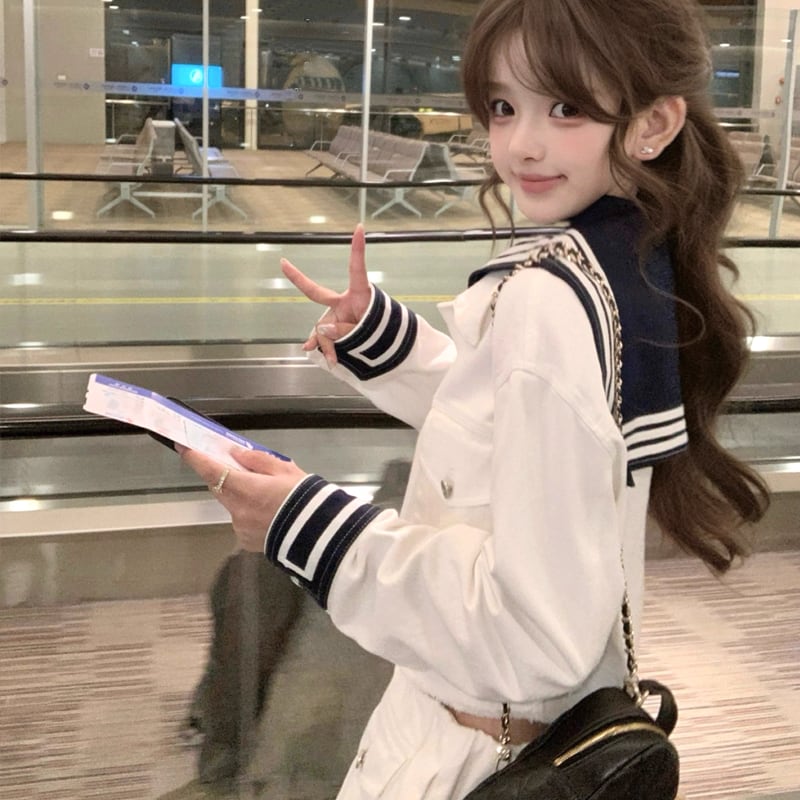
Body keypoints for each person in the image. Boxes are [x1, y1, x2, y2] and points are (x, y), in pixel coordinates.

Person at [178, 0, 770, 796]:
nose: (521, 143)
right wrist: (386, 339)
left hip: (475, 751)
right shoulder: (627, 259)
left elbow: (534, 636)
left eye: (565, 108)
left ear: (653, 124)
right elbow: (516, 434)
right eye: (502, 106)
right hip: (536, 725)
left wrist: (305, 526)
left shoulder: (552, 298)